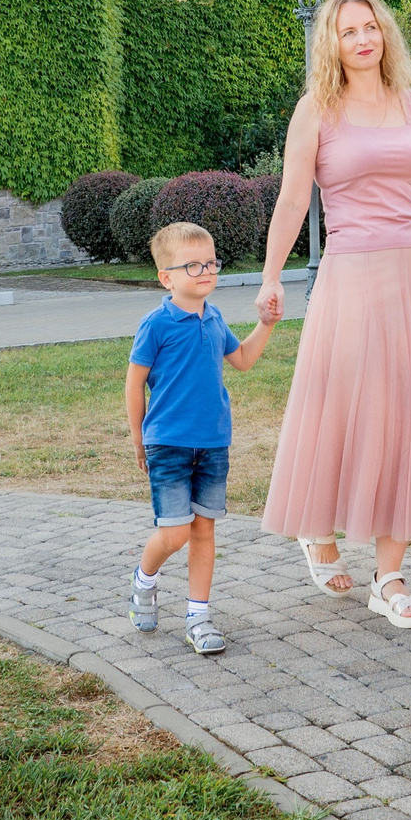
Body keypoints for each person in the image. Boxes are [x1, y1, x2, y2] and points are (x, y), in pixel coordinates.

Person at [257, 0, 411, 629]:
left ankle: (390, 576)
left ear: (385, 36)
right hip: (350, 278)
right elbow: (294, 201)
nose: (362, 39)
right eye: (349, 30)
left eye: (371, 27)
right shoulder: (316, 112)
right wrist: (271, 279)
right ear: (332, 41)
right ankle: (316, 530)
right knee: (342, 412)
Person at [127, 218, 275, 655]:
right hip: (168, 443)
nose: (206, 271)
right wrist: (139, 438)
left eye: (211, 262)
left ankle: (198, 616)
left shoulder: (214, 319)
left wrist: (265, 323)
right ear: (166, 277)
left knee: (204, 531)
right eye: (193, 265)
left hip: (212, 444)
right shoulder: (156, 324)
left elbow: (243, 359)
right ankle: (144, 582)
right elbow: (134, 383)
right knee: (174, 534)